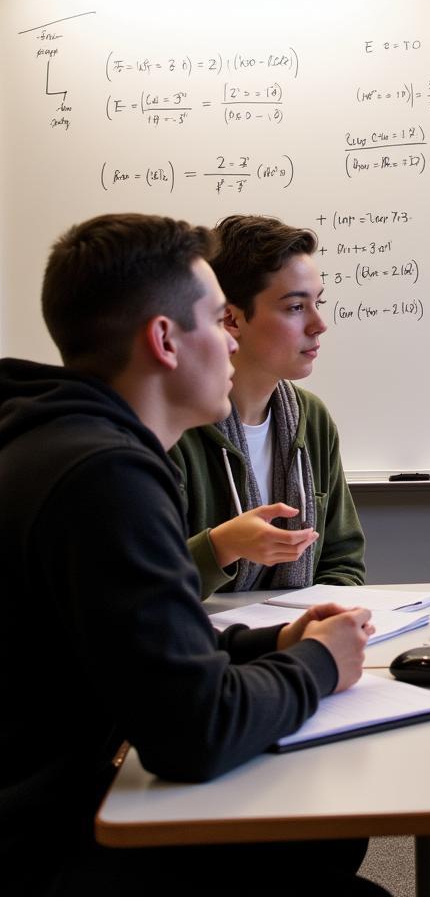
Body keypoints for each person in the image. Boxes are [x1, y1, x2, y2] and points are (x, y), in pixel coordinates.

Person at [0, 213, 385, 895]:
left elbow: (143, 649)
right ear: (166, 340)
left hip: (56, 811)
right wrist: (321, 663)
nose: (231, 344)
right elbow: (195, 730)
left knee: (321, 841)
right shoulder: (104, 478)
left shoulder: (64, 443)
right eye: (218, 321)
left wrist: (278, 640)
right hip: (46, 846)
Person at [170, 215, 365, 598]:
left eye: (318, 303)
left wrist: (324, 621)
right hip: (204, 645)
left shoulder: (312, 418)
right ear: (231, 318)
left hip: (295, 641)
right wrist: (220, 546)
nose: (319, 324)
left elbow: (343, 561)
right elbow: (141, 584)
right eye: (295, 307)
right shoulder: (173, 427)